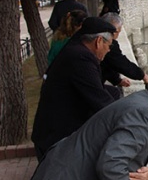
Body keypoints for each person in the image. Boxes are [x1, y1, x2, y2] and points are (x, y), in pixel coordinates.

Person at [31, 17, 117, 162]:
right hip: (55, 140)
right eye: (109, 45)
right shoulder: (81, 58)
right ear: (98, 41)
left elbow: (95, 88)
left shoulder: (76, 49)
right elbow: (101, 101)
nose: (109, 50)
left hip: (54, 132)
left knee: (114, 93)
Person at [100, 13, 148, 90]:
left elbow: (108, 63)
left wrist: (117, 80)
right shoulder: (107, 43)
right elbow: (121, 63)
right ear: (114, 31)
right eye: (118, 32)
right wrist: (143, 76)